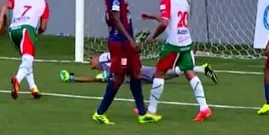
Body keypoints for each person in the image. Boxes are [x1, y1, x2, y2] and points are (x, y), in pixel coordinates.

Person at [91, 0, 160, 125]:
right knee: (119, 77)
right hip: (119, 42)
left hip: (126, 42)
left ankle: (142, 113)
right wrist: (130, 40)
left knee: (136, 73)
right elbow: (115, 19)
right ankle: (99, 113)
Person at [141, 0, 212, 122]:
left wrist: (153, 36)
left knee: (159, 73)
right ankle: (204, 107)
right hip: (186, 42)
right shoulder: (184, 1)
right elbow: (171, 17)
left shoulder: (166, 1)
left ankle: (152, 110)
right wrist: (151, 16)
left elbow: (165, 22)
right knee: (189, 73)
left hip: (173, 44)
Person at [0, 0, 49, 100]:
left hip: (13, 31)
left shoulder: (19, 0)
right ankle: (17, 80)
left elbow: (5, 3)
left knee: (27, 59)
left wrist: (0, 17)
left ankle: (33, 88)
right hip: (27, 30)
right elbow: (43, 26)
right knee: (28, 59)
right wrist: (37, 33)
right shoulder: (43, 3)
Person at [60, 50, 219, 85]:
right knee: (166, 74)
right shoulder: (104, 65)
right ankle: (200, 68)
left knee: (166, 74)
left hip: (139, 72)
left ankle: (195, 67)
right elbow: (96, 79)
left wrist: (109, 74)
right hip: (137, 75)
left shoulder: (105, 59)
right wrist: (73, 78)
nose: (90, 62)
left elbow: (120, 60)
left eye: (90, 59)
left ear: (97, 57)